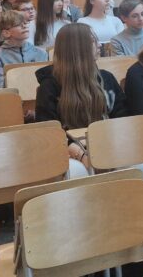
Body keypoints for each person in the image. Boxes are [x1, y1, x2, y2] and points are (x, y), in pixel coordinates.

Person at [35, 23, 127, 177]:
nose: (99, 45)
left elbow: (123, 117)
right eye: (93, 41)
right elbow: (50, 133)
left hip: (107, 144)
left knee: (141, 171)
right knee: (77, 172)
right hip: (70, 152)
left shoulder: (107, 78)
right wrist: (81, 154)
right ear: (77, 48)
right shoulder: (49, 86)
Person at [0, 10, 49, 89]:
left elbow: (46, 84)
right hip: (13, 96)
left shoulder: (41, 53)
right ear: (6, 33)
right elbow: (1, 87)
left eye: (25, 23)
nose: (24, 26)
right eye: (18, 24)